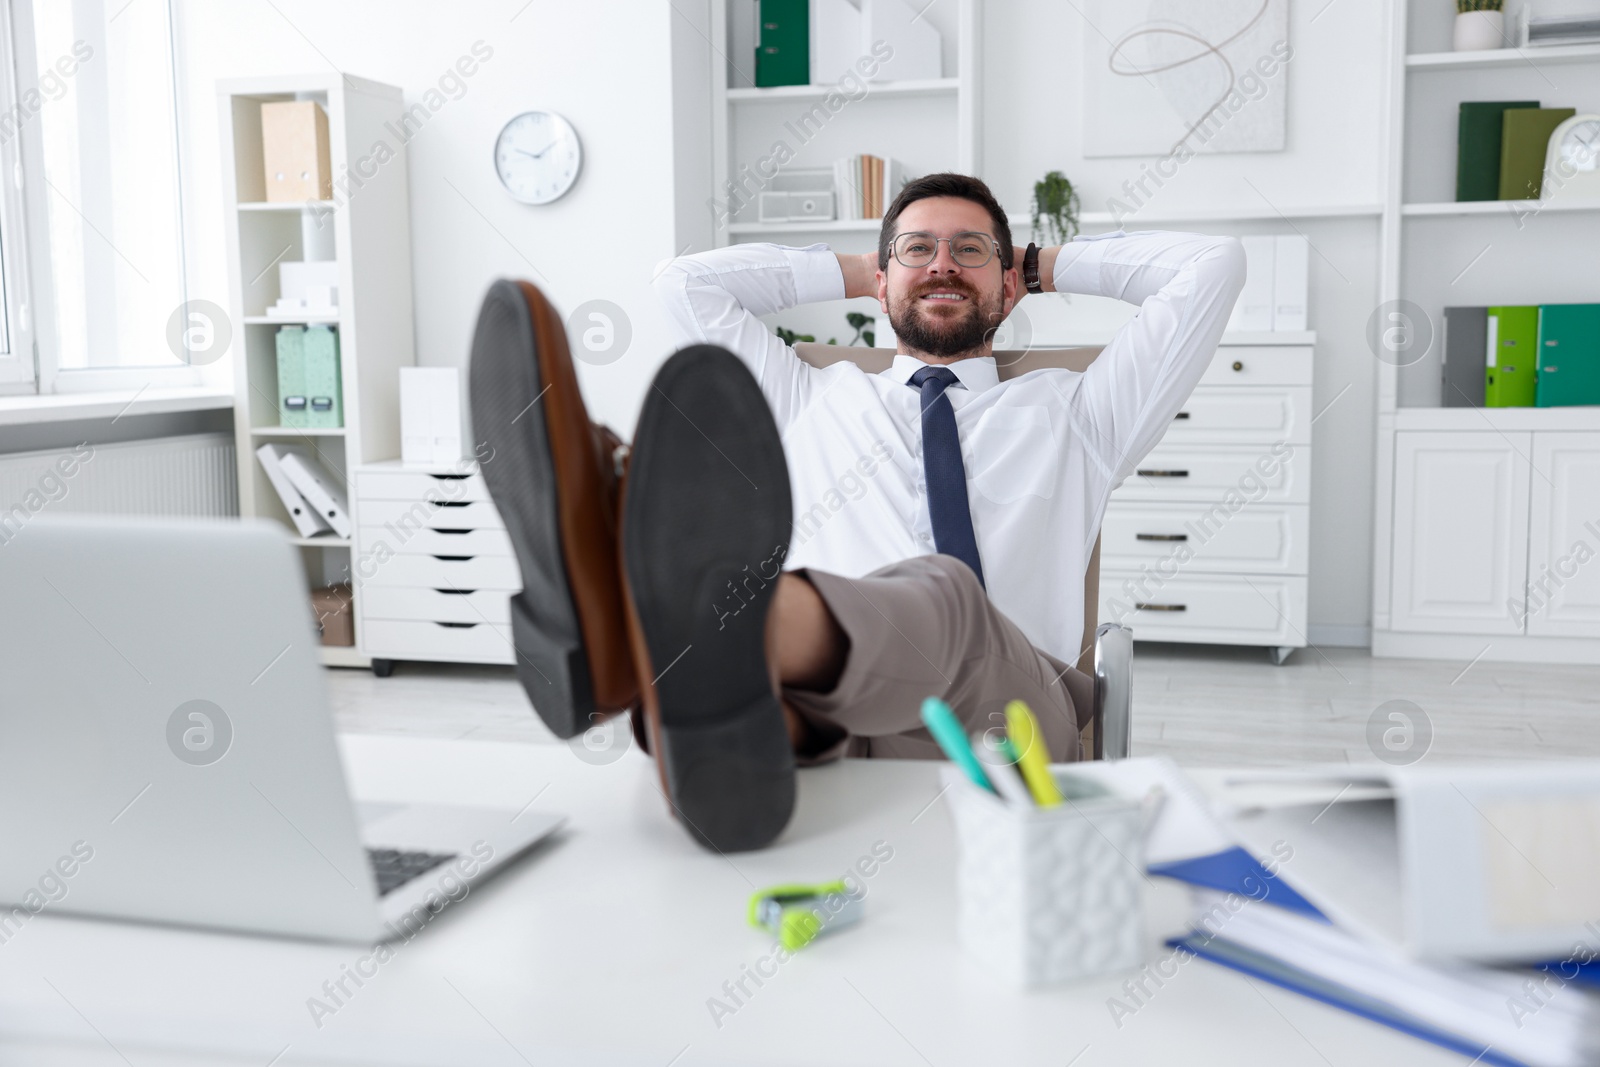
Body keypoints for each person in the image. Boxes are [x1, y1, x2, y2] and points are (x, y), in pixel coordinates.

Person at [468, 173, 1244, 852]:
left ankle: (636, 633)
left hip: (1008, 719)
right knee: (793, 699)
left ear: (1010, 286)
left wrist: (1033, 263)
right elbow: (681, 285)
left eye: (970, 250)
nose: (942, 262)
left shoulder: (1080, 413)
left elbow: (1211, 268)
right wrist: (865, 268)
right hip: (832, 713)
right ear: (880, 283)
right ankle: (717, 692)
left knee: (944, 599)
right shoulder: (808, 394)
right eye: (917, 249)